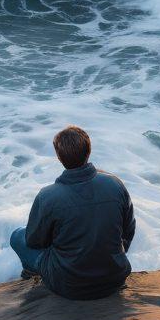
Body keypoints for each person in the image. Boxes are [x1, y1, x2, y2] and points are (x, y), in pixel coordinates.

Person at [10, 125, 136, 300]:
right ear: (88, 151)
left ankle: (32, 275)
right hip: (114, 278)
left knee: (17, 236)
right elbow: (128, 229)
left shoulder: (48, 196)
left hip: (68, 285)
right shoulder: (115, 184)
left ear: (59, 157)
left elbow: (34, 240)